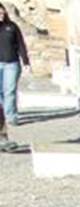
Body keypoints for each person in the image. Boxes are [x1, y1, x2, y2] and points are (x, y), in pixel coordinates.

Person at [0, 2, 30, 150]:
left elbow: (21, 44)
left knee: (9, 90)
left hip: (11, 63)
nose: (1, 15)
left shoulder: (11, 27)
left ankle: (10, 118)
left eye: (2, 12)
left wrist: (25, 61)